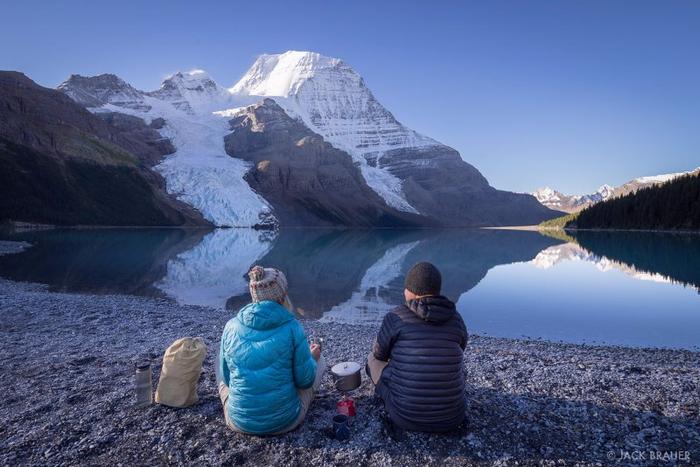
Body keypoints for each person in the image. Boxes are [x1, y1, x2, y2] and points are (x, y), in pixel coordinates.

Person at [217, 265, 325, 435]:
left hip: (239, 422)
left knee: (222, 374)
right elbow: (305, 381)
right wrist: (312, 358)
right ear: (283, 295)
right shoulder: (292, 328)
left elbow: (227, 379)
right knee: (319, 361)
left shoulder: (231, 326)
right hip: (285, 421)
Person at [366, 261, 468, 432]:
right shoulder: (455, 318)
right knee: (458, 365)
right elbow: (461, 348)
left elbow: (379, 355)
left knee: (371, 360)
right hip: (453, 417)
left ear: (411, 291)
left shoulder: (396, 316)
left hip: (405, 417)